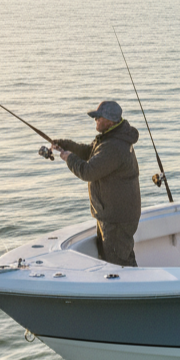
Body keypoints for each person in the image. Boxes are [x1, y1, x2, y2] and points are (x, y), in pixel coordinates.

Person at [53, 100, 141, 267]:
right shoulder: (110, 138)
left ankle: (132, 290)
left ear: (109, 121)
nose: (95, 120)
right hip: (112, 214)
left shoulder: (114, 146)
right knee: (114, 260)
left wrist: (68, 158)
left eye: (98, 118)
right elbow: (89, 152)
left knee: (119, 264)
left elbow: (88, 172)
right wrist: (65, 145)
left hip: (117, 218)